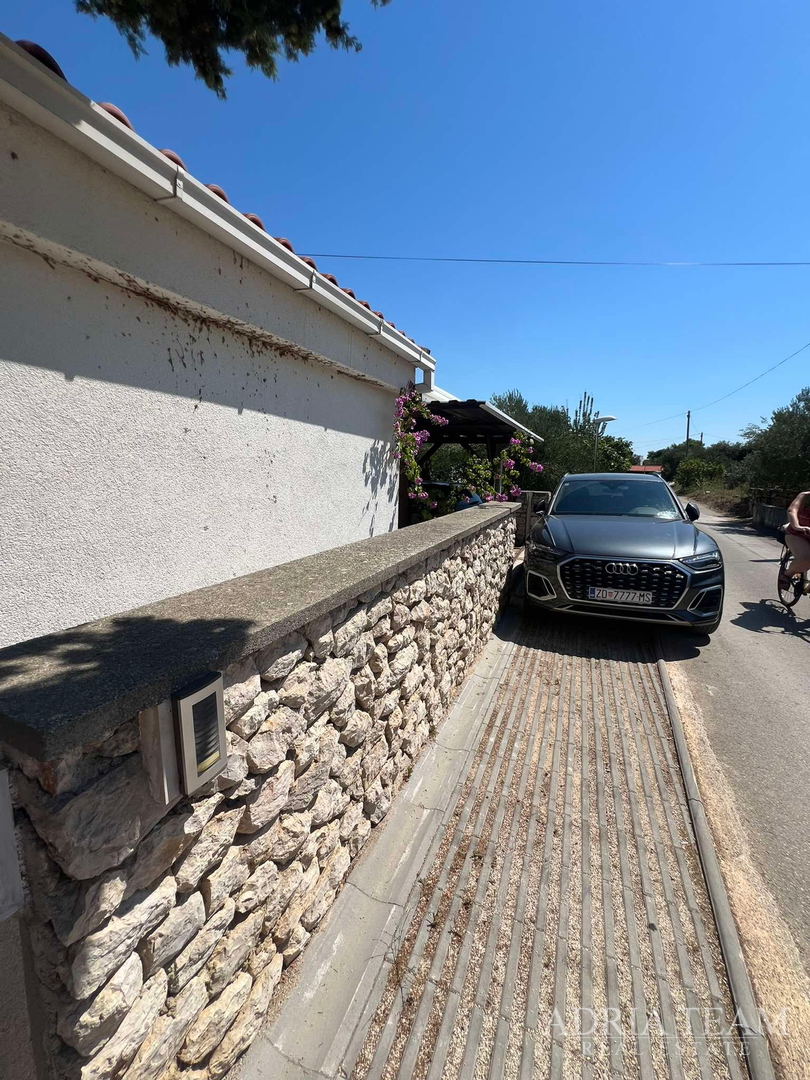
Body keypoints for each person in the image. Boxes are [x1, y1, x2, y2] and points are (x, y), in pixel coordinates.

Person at [780, 490, 810, 587]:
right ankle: (787, 574)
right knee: (806, 559)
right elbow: (792, 511)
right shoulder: (805, 496)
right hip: (798, 534)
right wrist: (797, 526)